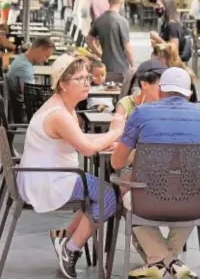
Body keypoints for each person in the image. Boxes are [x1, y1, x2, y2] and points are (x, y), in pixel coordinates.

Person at [111, 67, 200, 279]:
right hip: (195, 204)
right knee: (196, 188)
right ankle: (171, 261)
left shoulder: (140, 114)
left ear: (160, 91)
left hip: (147, 201)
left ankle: (160, 261)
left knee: (124, 188)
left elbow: (116, 162)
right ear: (189, 94)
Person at [17, 54, 125, 279]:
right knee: (109, 197)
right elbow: (85, 148)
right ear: (63, 84)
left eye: (87, 77)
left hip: (51, 175)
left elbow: (80, 139)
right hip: (48, 180)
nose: (87, 82)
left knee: (102, 192)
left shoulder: (64, 108)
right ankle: (70, 249)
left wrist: (107, 139)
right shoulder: (59, 115)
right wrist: (115, 132)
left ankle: (64, 236)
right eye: (80, 79)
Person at [86, 0, 134, 83]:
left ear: (109, 0)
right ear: (121, 0)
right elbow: (127, 49)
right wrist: (133, 66)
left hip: (105, 66)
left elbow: (89, 40)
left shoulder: (99, 20)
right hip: (121, 69)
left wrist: (100, 53)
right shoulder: (122, 22)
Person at [6, 37, 54, 124]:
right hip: (23, 118)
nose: (46, 60)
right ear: (39, 49)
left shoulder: (20, 59)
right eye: (46, 56)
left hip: (16, 113)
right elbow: (31, 100)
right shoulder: (25, 69)